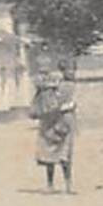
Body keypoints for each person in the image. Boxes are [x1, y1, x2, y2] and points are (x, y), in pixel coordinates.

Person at [31, 61, 77, 193]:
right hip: (56, 120)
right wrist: (70, 106)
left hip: (58, 121)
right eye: (70, 69)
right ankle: (54, 184)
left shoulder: (57, 85)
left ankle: (65, 184)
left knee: (62, 154)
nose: (72, 73)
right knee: (54, 153)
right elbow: (56, 104)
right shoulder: (59, 86)